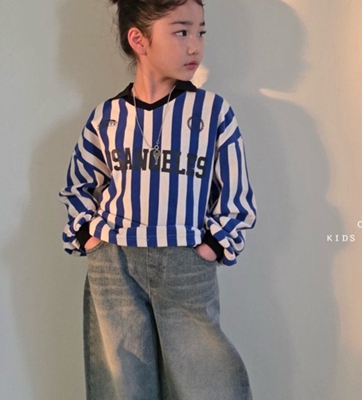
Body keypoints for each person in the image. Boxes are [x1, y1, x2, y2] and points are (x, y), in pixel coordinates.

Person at [59, 0, 257, 398]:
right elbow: (79, 185)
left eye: (200, 32)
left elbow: (237, 196)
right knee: (123, 384)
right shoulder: (107, 117)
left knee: (208, 382)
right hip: (115, 267)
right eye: (181, 31)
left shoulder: (213, 113)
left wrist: (214, 244)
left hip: (185, 264)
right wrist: (88, 236)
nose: (195, 45)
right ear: (139, 40)